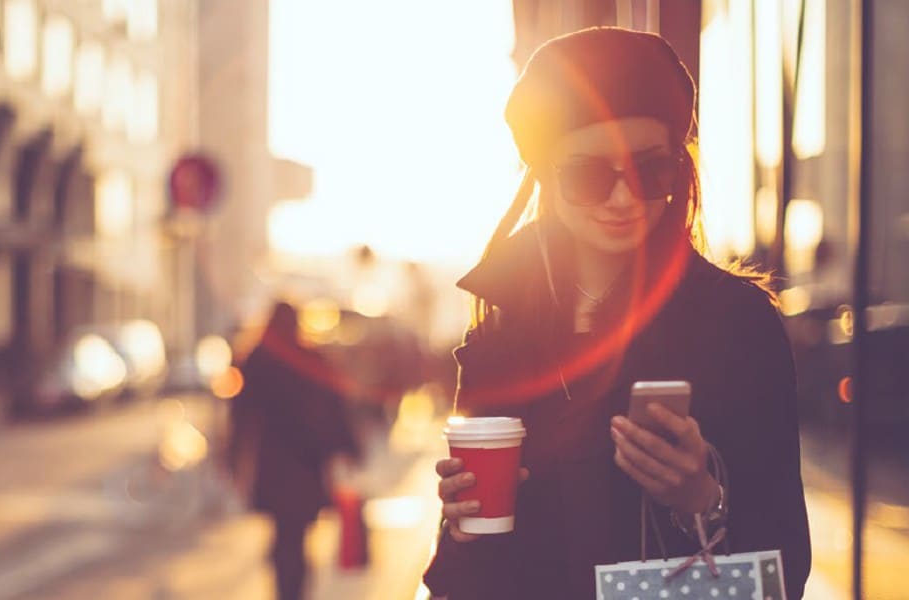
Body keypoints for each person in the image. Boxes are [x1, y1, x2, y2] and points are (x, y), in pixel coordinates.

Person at [423, 28, 811, 599]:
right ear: (546, 176)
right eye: (590, 176)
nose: (625, 198)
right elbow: (459, 578)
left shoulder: (736, 324)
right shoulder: (501, 326)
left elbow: (786, 565)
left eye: (652, 169)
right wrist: (462, 527)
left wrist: (703, 497)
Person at [226, 301, 362, 600]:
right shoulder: (310, 358)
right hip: (306, 466)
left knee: (285, 535)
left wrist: (232, 460)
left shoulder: (256, 359)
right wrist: (348, 449)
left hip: (273, 466)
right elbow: (333, 409)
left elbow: (240, 417)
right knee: (296, 535)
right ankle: (294, 590)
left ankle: (286, 589)